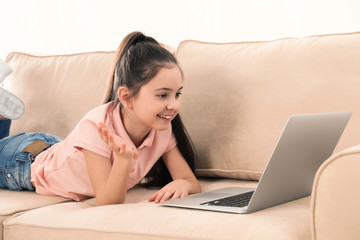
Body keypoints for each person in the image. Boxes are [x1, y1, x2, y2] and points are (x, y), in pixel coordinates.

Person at [0, 31, 201, 206]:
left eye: (177, 94)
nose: (174, 105)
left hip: (50, 147)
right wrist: (123, 160)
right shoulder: (96, 126)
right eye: (163, 95)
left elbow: (190, 181)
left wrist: (182, 183)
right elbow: (108, 201)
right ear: (126, 97)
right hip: (22, 163)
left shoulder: (162, 130)